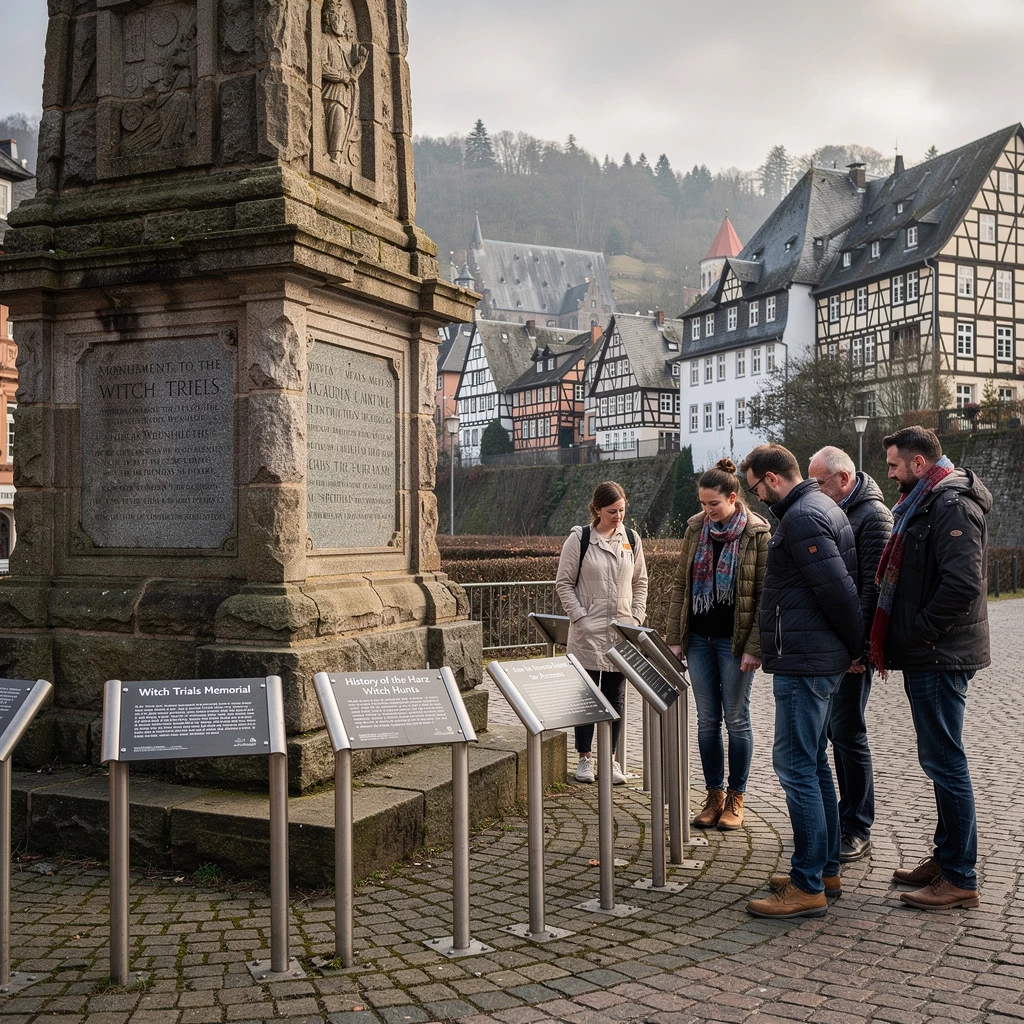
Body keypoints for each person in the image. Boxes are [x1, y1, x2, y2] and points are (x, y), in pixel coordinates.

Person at [740, 444, 862, 919]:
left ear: (771, 479)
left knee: (796, 767)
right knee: (813, 765)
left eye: (754, 489)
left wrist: (854, 649)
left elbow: (838, 591)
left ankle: (808, 882)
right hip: (814, 658)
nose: (755, 499)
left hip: (806, 663)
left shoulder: (802, 517)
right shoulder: (819, 507)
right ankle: (823, 867)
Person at [873, 426, 990, 910]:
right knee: (939, 759)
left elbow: (963, 584)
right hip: (934, 653)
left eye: (895, 465)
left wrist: (917, 632)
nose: (891, 474)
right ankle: (946, 859)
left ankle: (961, 876)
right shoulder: (926, 500)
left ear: (919, 464)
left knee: (945, 761)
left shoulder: (949, 504)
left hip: (940, 654)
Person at [666, 459, 769, 831]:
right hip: (699, 640)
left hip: (735, 642)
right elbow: (681, 584)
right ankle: (713, 796)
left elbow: (762, 596)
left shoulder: (757, 534)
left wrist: (754, 646)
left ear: (733, 497)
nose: (707, 512)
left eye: (714, 504)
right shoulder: (696, 529)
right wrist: (675, 638)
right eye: (703, 504)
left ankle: (736, 797)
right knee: (708, 721)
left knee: (737, 719)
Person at [807, 446, 893, 863]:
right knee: (832, 734)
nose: (815, 490)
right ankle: (839, 819)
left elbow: (874, 587)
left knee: (848, 734)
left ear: (843, 479)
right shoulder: (838, 509)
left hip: (852, 650)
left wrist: (859, 649)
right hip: (832, 646)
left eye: (819, 482)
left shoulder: (873, 516)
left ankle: (858, 825)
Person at [555, 481, 648, 785]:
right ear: (596, 509)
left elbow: (640, 582)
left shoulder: (631, 539)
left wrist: (635, 617)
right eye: (612, 511)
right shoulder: (579, 539)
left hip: (620, 631)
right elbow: (564, 584)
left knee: (615, 696)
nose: (618, 516)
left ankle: (610, 760)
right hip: (587, 631)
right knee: (585, 695)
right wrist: (579, 617)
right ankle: (584, 758)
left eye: (622, 510)